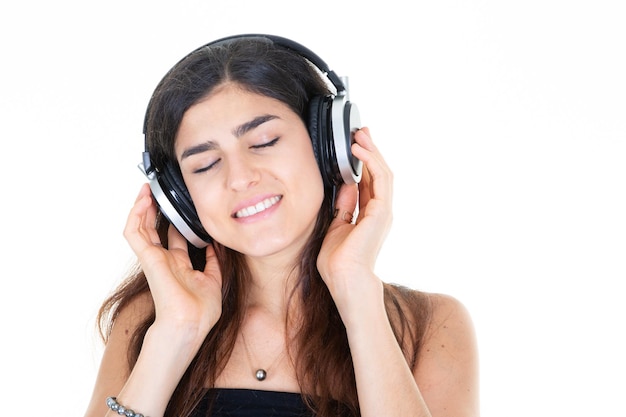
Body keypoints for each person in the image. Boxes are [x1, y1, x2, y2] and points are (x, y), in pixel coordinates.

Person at [83, 34, 479, 417]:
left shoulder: (431, 325)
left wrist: (358, 296)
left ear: (330, 146)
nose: (239, 177)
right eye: (204, 164)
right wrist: (174, 335)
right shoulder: (148, 319)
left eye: (265, 140)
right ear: (179, 198)